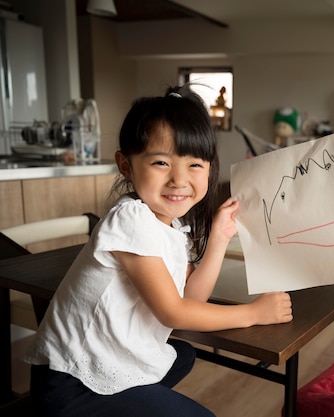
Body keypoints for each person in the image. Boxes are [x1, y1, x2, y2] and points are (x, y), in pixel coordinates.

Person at [24, 85, 293, 417]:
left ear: (210, 168)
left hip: (97, 364)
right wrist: (253, 314)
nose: (179, 179)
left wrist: (221, 237)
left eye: (195, 164)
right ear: (126, 165)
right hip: (72, 382)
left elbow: (191, 300)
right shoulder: (131, 219)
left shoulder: (172, 229)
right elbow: (174, 313)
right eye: (161, 162)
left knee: (182, 355)